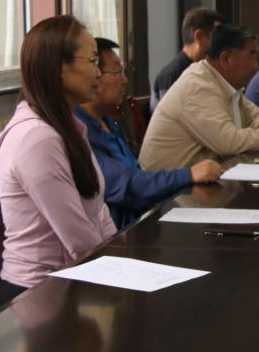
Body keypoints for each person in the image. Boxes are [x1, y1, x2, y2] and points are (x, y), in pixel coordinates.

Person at [0, 16, 117, 302]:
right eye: (93, 61)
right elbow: (78, 238)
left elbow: (98, 210)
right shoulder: (37, 139)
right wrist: (120, 272)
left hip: (73, 276)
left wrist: (120, 253)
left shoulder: (68, 126)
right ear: (60, 66)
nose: (99, 73)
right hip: (36, 292)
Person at [75, 38, 224, 229]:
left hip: (140, 221)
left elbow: (135, 173)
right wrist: (189, 174)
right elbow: (127, 187)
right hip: (117, 236)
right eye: (117, 71)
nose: (124, 80)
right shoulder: (78, 131)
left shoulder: (107, 122)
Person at [140, 23, 259, 171]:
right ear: (226, 59)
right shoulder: (197, 86)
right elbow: (229, 142)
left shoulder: (221, 82)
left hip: (203, 178)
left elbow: (253, 114)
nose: (256, 66)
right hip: (171, 188)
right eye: (251, 56)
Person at [150, 7, 224, 110]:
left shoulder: (208, 69)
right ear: (199, 37)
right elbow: (173, 116)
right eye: (218, 37)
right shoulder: (172, 75)